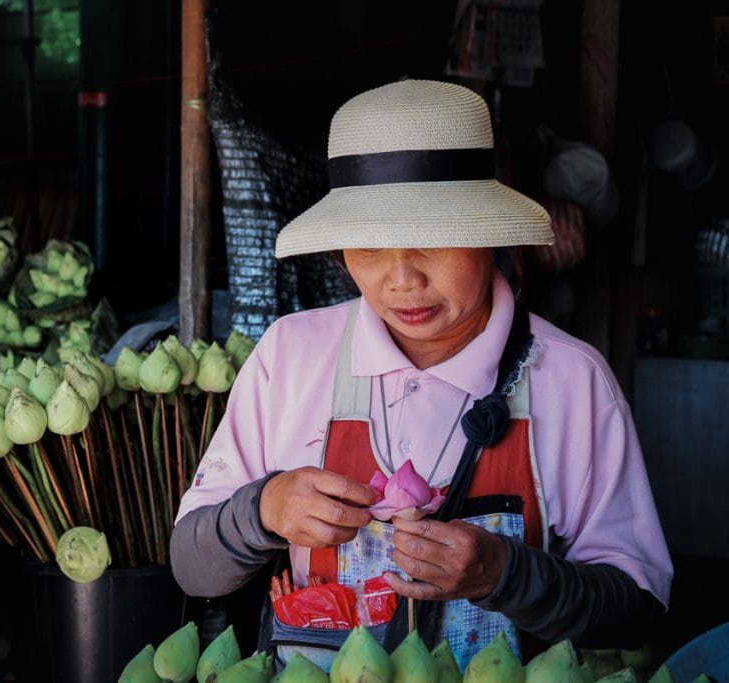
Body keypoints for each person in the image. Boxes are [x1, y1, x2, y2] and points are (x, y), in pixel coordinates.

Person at [170, 79, 672, 670]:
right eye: (370, 247)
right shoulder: (291, 356)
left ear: (489, 236)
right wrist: (260, 510)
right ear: (338, 251)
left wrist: (506, 573)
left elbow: (637, 611)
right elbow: (191, 565)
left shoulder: (571, 380)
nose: (402, 279)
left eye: (432, 240)